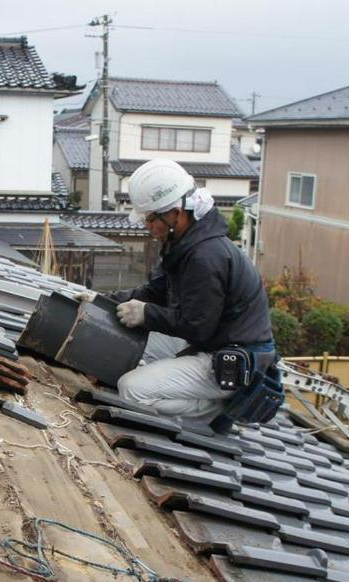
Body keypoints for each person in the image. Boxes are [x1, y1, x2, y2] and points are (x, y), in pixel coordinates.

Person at [80, 159, 277, 432]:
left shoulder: (206, 256)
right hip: (215, 342)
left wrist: (146, 314)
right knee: (130, 337)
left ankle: (213, 412)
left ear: (175, 213)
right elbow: (154, 293)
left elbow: (198, 326)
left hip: (232, 362)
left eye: (151, 218)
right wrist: (106, 301)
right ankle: (196, 395)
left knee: (132, 389)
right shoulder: (183, 245)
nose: (148, 226)